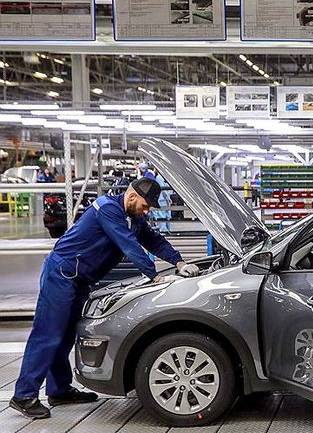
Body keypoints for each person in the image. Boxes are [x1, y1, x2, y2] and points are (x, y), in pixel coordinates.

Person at [9, 178, 201, 419]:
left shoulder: (134, 219)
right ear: (132, 196)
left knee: (65, 336)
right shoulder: (107, 208)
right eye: (145, 206)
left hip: (79, 279)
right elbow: (129, 245)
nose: (146, 211)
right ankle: (24, 395)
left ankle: (59, 390)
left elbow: (154, 241)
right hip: (61, 275)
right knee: (48, 334)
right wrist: (154, 276)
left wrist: (179, 262)